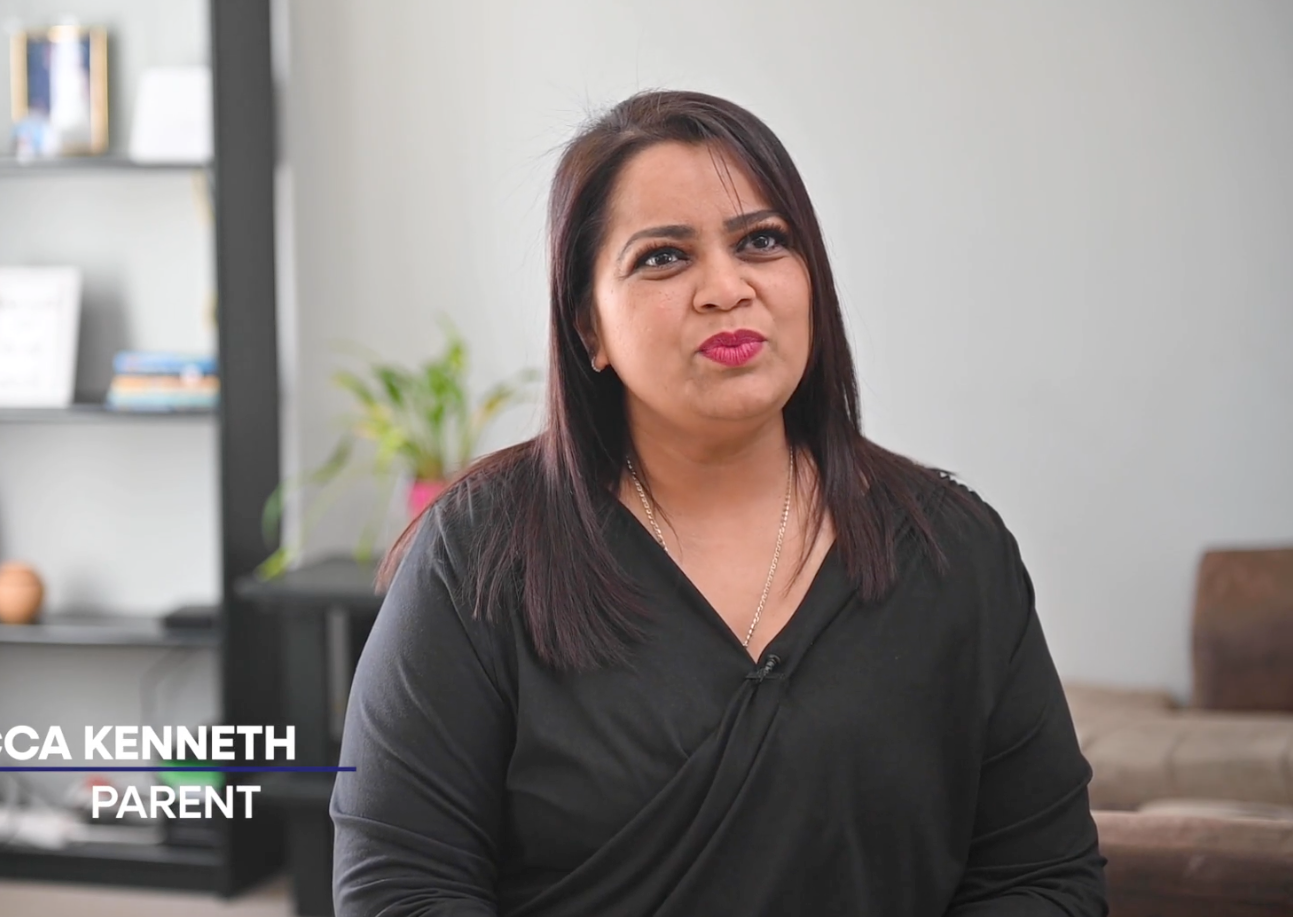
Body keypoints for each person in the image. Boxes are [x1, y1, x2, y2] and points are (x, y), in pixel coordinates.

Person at [329, 90, 1107, 916]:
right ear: (588, 327)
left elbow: (1043, 878)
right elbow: (399, 887)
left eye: (762, 241)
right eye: (663, 257)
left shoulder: (954, 549)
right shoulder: (480, 554)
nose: (726, 288)